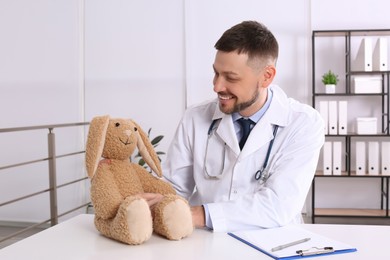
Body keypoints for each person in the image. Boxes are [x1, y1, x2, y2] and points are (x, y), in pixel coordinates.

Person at [161, 20, 325, 232]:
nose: (217, 86)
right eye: (216, 73)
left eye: (231, 77)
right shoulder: (195, 117)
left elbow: (279, 205)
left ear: (266, 76)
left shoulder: (304, 123)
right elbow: (173, 189)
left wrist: (200, 214)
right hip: (206, 243)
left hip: (273, 245)